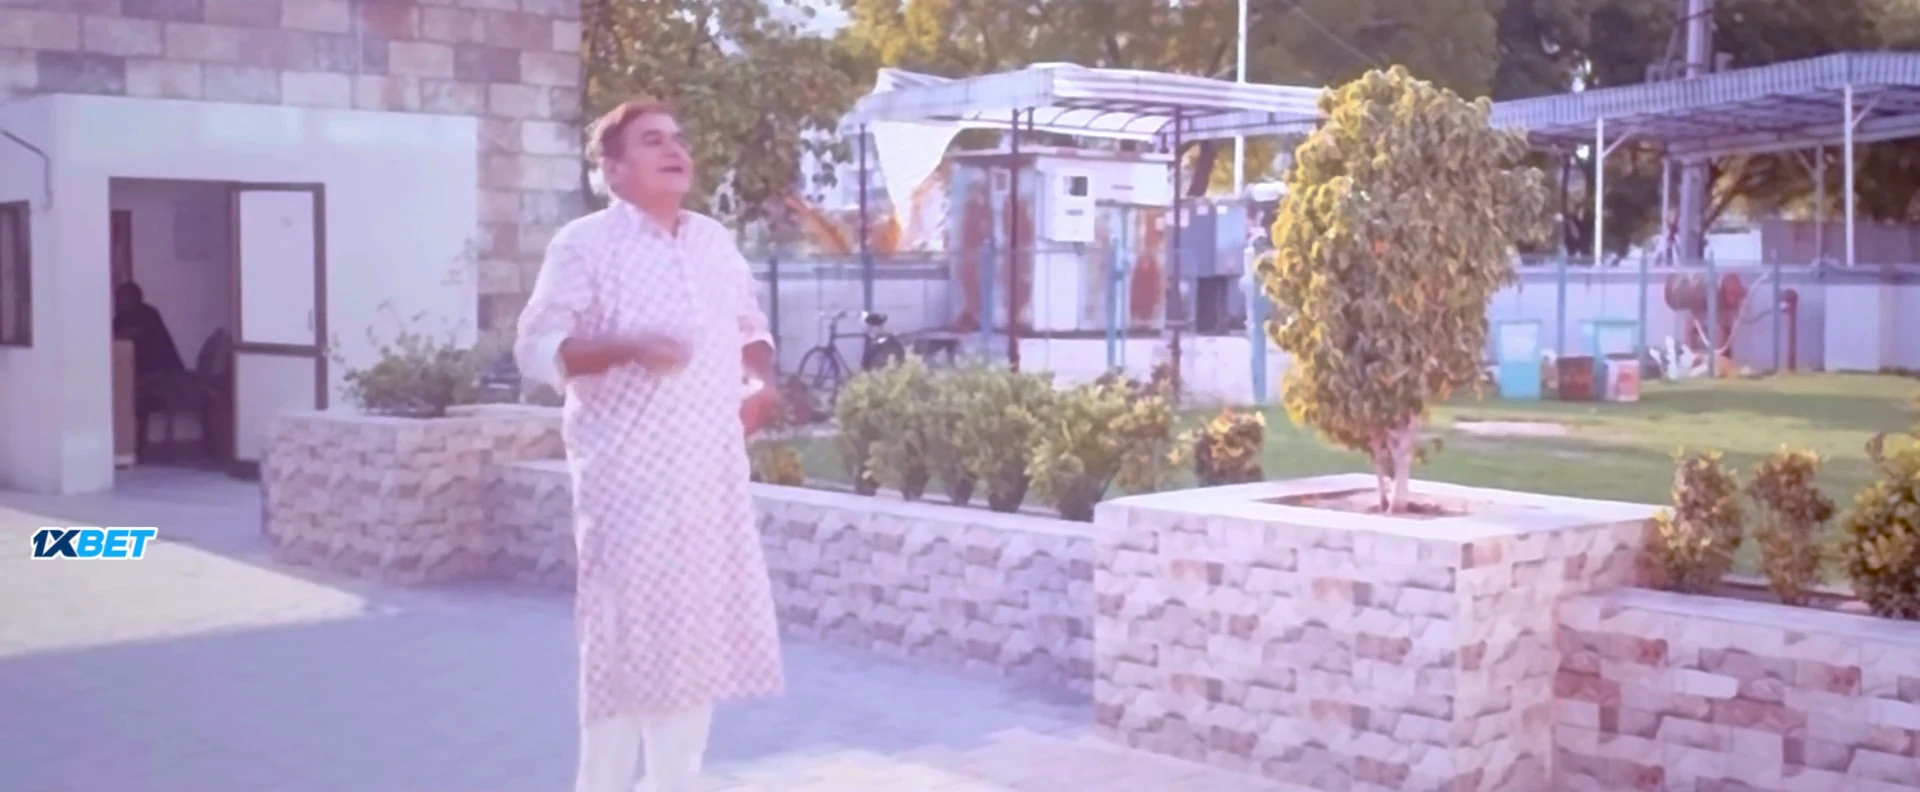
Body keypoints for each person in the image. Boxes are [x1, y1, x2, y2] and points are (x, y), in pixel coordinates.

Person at [513, 98, 784, 792]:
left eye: (678, 138)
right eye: (653, 140)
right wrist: (627, 345)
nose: (674, 150)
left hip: (709, 477)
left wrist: (759, 381)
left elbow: (751, 327)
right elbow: (537, 347)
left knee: (693, 643)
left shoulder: (712, 241)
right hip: (628, 480)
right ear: (613, 170)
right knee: (627, 644)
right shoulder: (584, 244)